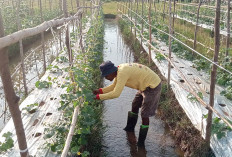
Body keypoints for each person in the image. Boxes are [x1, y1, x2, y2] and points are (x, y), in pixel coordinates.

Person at [93, 61, 161, 147]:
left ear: (111, 71)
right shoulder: (118, 71)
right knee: (135, 105)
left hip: (152, 86)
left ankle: (141, 142)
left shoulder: (122, 73)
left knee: (144, 114)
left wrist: (98, 97)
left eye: (106, 75)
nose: (106, 78)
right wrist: (99, 91)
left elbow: (116, 93)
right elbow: (114, 86)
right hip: (144, 85)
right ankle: (130, 129)